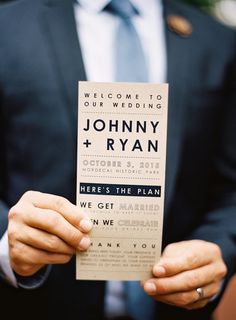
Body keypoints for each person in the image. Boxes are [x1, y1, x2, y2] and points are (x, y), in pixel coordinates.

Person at [0, 0, 235, 319]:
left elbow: (230, 188)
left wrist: (218, 246)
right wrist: (5, 243)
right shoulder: (7, 27)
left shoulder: (219, 42)